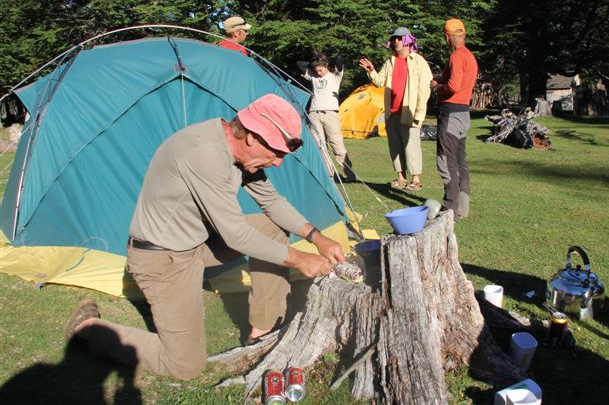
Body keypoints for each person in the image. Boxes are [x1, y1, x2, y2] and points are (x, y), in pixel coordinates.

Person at [63, 94, 345, 380]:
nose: (278, 163)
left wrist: (316, 238)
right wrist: (300, 260)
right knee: (184, 365)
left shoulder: (237, 151)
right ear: (252, 138)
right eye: (277, 154)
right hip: (162, 260)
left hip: (196, 244)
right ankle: (89, 329)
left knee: (268, 227)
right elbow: (235, 234)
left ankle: (262, 331)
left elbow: (272, 202)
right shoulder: (205, 154)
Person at [359, 27, 432, 191]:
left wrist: (419, 113)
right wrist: (371, 70)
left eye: (399, 38)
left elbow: (424, 89)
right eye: (394, 39)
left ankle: (416, 179)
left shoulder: (419, 62)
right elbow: (379, 81)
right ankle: (400, 177)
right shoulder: (390, 61)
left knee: (411, 145)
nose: (396, 41)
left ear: (408, 40)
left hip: (410, 112)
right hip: (392, 112)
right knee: (395, 145)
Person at [430, 18, 478, 219]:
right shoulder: (470, 56)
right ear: (463, 34)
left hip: (451, 112)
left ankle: (450, 208)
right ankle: (462, 208)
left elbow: (454, 86)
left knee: (445, 158)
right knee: (460, 161)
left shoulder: (457, 57)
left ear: (447, 36)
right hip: (464, 113)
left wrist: (436, 86)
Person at [297, 51, 356, 183]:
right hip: (314, 113)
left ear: (326, 66)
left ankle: (349, 175)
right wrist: (315, 60)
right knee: (320, 145)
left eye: (321, 70)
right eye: (316, 70)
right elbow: (299, 64)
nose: (319, 73)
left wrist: (323, 59)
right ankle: (329, 174)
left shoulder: (335, 76)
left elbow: (339, 61)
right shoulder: (313, 76)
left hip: (330, 113)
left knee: (337, 145)